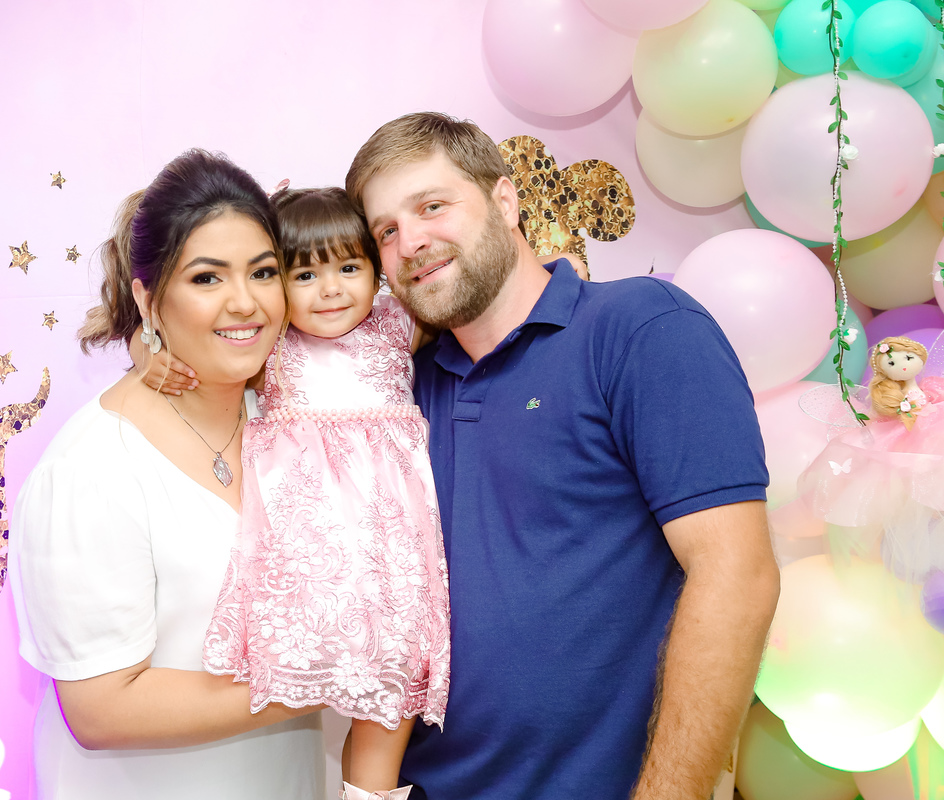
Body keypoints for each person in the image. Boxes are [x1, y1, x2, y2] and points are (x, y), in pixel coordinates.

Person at [344, 112, 780, 800]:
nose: (411, 243)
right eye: (386, 232)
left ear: (505, 201)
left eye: (431, 207)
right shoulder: (398, 389)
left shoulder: (640, 327)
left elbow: (737, 577)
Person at [7, 150, 325, 799]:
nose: (245, 302)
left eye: (264, 272)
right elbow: (102, 709)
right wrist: (325, 680)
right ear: (148, 299)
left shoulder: (294, 419)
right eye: (207, 278)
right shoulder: (91, 469)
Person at [147, 187, 451, 800]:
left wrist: (560, 264)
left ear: (376, 270)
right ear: (277, 285)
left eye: (349, 268)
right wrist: (146, 355)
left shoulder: (400, 324)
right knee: (299, 687)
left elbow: (472, 298)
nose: (331, 290)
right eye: (305, 274)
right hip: (308, 558)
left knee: (389, 700)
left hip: (391, 558)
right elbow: (169, 333)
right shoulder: (271, 345)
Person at [798, 334, 944, 578]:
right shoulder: (889, 398)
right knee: (905, 487)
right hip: (903, 441)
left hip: (931, 434)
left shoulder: (931, 387)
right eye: (893, 363)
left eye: (909, 358)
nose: (903, 366)